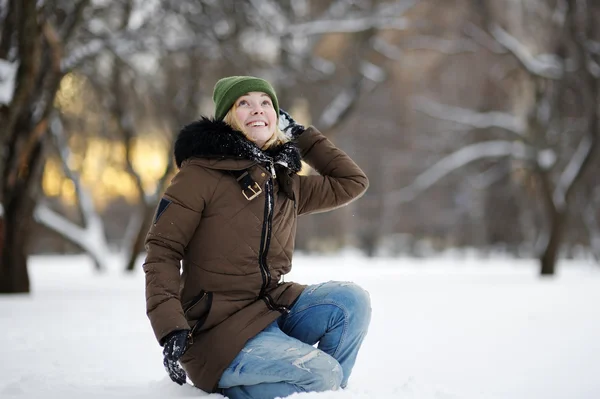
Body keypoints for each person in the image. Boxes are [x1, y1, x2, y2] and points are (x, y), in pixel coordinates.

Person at [143, 76, 371, 399]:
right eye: (244, 103)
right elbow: (162, 251)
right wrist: (170, 328)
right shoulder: (198, 175)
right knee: (325, 372)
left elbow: (352, 181)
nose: (258, 110)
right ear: (227, 117)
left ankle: (318, 389)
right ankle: (298, 385)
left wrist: (302, 137)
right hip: (218, 334)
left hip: (272, 309)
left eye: (266, 103)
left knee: (351, 303)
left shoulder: (284, 182)